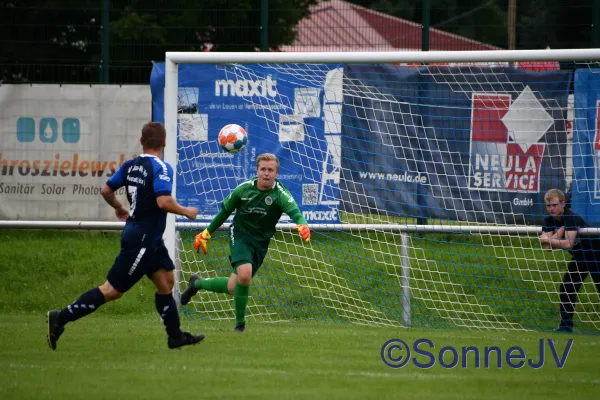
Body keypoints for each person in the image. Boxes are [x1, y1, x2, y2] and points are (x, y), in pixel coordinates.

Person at [47, 122, 205, 350]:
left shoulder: (131, 165)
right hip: (142, 240)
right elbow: (163, 201)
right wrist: (186, 211)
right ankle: (60, 318)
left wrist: (119, 207)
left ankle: (175, 336)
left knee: (166, 282)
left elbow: (106, 190)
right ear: (165, 143)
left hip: (147, 239)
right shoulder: (162, 167)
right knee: (112, 290)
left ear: (142, 141)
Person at [181, 153, 311, 332]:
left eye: (270, 170)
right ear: (257, 171)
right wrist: (206, 233)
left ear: (276, 173)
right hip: (240, 235)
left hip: (260, 243)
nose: (266, 173)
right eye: (263, 169)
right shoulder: (243, 190)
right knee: (245, 274)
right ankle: (240, 325)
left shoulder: (281, 195)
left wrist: (303, 225)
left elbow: (296, 213)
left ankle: (196, 284)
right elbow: (224, 212)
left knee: (234, 287)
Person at [539, 188, 600, 332]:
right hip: (581, 257)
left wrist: (550, 239)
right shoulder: (548, 220)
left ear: (563, 203)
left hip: (596, 254)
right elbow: (548, 248)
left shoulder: (570, 217)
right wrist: (553, 238)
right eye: (548, 206)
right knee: (567, 287)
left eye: (554, 205)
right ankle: (565, 326)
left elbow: (568, 243)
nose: (551, 209)